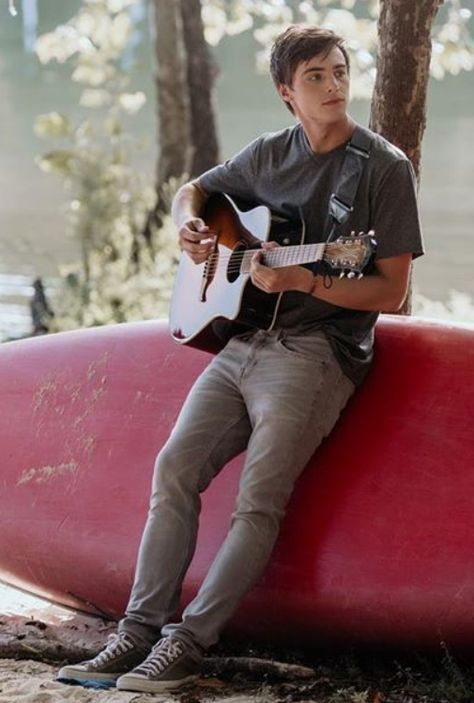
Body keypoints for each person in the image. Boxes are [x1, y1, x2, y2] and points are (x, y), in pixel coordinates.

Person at [58, 24, 423, 694]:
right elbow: (193, 190)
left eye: (340, 71)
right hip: (243, 341)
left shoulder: (383, 168)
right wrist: (190, 226)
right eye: (316, 76)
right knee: (174, 468)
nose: (334, 85)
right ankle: (135, 633)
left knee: (259, 498)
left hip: (318, 354)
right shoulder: (269, 153)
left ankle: (186, 644)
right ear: (288, 91)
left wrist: (309, 280)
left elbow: (392, 289)